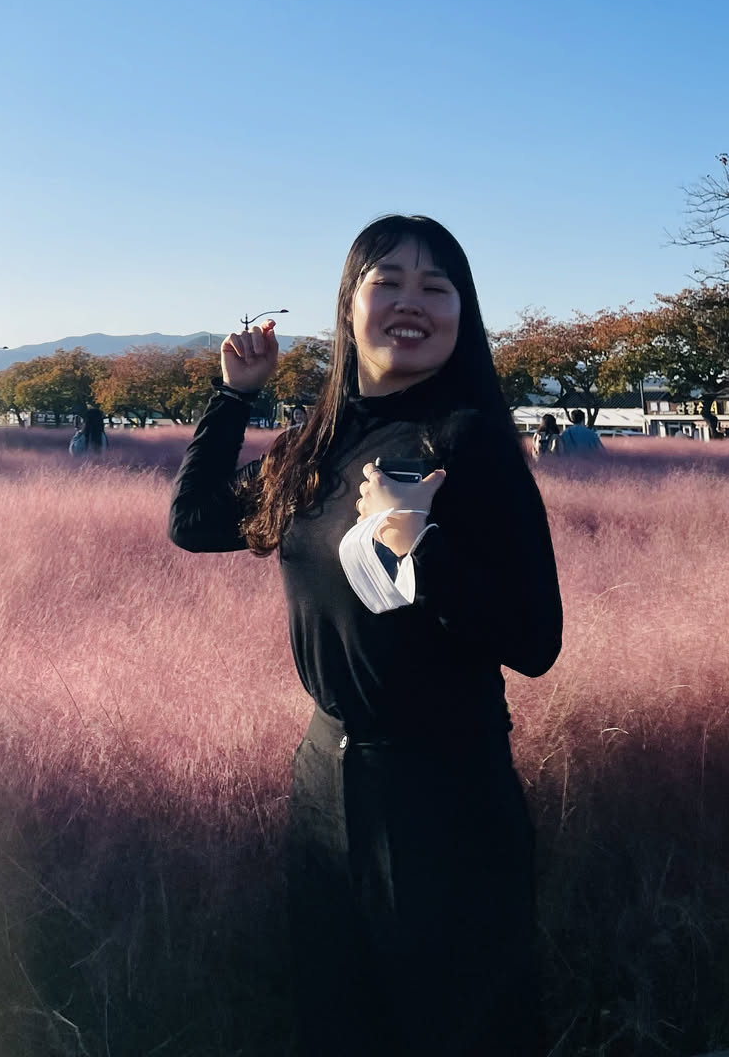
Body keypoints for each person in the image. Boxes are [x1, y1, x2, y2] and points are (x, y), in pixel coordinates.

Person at [168, 215, 562, 1057]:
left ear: (462, 313)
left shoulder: (468, 442)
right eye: (389, 282)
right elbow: (195, 523)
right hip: (325, 773)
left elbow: (535, 639)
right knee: (339, 1019)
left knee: (457, 1030)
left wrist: (419, 542)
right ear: (349, 304)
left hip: (444, 790)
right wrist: (235, 396)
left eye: (436, 287)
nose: (411, 302)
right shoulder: (318, 441)